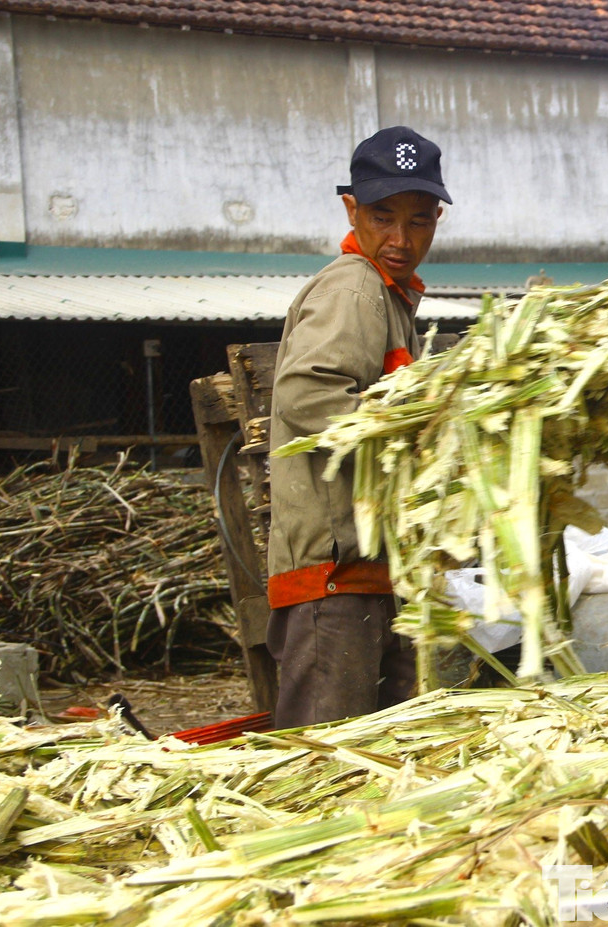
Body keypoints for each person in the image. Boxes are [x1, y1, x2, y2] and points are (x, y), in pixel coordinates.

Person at [264, 126, 452, 728]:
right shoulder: (355, 287)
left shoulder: (390, 296)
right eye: (382, 215)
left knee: (375, 757)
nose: (400, 238)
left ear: (437, 219)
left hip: (367, 572)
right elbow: (306, 392)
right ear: (352, 209)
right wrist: (414, 434)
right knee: (322, 764)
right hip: (333, 573)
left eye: (418, 220)